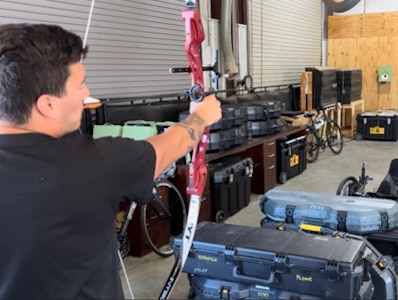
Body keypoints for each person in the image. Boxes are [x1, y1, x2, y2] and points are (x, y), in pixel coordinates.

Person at [0, 23, 221, 299]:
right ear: (48, 104)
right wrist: (202, 115)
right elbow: (172, 143)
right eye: (79, 84)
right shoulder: (97, 164)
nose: (86, 93)